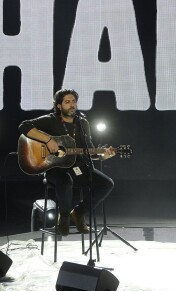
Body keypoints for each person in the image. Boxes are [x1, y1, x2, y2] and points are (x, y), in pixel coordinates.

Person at [19, 89, 116, 236]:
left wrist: (102, 156)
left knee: (106, 183)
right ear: (59, 106)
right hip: (55, 169)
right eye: (67, 102)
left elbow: (88, 151)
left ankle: (78, 213)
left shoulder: (82, 123)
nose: (72, 105)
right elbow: (24, 126)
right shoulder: (50, 120)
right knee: (65, 180)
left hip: (78, 166)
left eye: (74, 102)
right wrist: (48, 140)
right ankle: (63, 217)